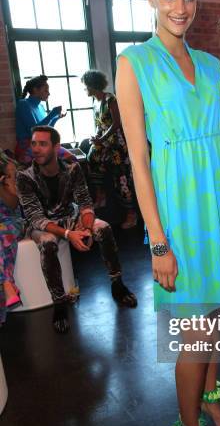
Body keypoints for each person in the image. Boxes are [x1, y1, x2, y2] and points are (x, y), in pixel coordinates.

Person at [116, 0, 220, 426]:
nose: (181, 6)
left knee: (214, 326)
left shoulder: (213, 67)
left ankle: (211, 403)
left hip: (219, 208)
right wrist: (158, 242)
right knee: (195, 337)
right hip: (179, 218)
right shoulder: (134, 64)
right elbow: (139, 162)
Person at [16, 126, 137, 334]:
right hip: (39, 225)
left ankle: (117, 284)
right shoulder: (24, 176)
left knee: (104, 228)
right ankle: (59, 302)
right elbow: (36, 218)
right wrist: (68, 235)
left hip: (69, 218)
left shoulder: (73, 169)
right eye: (33, 144)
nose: (36, 149)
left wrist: (87, 227)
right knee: (47, 243)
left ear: (56, 147)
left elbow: (85, 203)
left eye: (42, 144)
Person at [81, 70, 138, 229]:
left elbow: (116, 123)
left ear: (93, 85)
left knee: (121, 180)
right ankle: (101, 194)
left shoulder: (110, 99)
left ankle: (131, 215)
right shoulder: (95, 102)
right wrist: (96, 138)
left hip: (117, 146)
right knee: (91, 157)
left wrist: (102, 139)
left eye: (86, 86)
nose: (85, 89)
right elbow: (101, 125)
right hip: (105, 143)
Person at [15, 75, 74, 165]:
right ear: (35, 90)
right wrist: (52, 114)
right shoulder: (23, 104)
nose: (49, 93)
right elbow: (34, 131)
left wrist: (56, 117)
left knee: (71, 159)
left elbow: (46, 129)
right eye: (46, 90)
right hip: (28, 147)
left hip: (43, 144)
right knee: (68, 161)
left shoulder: (40, 107)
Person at [0, 151, 24, 323]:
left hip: (10, 220)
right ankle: (7, 284)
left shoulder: (8, 167)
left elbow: (14, 203)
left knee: (2, 234)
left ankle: (7, 283)